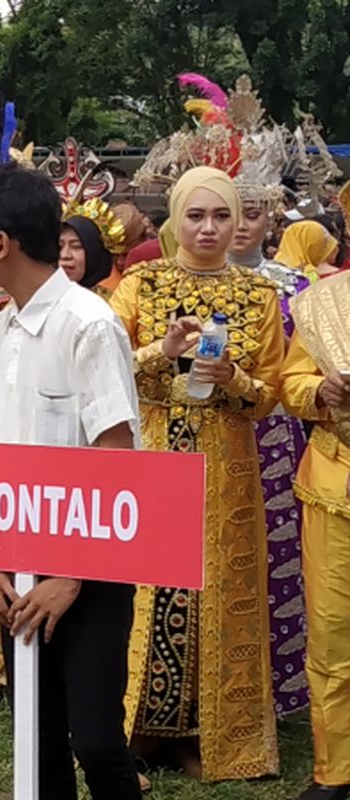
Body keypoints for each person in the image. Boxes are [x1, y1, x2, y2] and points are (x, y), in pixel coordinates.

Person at [0, 164, 143, 800]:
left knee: (94, 737)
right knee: (35, 737)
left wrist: (72, 573)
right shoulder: (2, 325)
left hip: (89, 567)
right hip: (18, 562)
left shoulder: (88, 324)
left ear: (2, 242)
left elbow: (117, 456)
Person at [110, 166, 283, 781]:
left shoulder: (260, 297)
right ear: (174, 219)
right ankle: (135, 731)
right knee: (151, 593)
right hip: (154, 455)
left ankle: (209, 736)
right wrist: (164, 351)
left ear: (237, 222)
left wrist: (231, 377)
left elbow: (270, 395)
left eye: (221, 216)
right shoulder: (140, 284)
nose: (208, 228)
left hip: (227, 467)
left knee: (216, 592)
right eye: (195, 215)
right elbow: (105, 368)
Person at [229, 164, 312, 719]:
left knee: (279, 556)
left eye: (250, 214)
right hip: (209, 429)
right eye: (225, 213)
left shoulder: (298, 288)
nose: (237, 226)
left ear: (271, 219)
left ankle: (281, 692)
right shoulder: (173, 280)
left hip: (276, 434)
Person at [281, 271, 350, 800]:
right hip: (335, 480)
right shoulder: (324, 303)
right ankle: (336, 769)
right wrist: (321, 389)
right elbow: (291, 382)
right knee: (331, 630)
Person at [58, 198, 127, 298]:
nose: (65, 255)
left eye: (76, 246)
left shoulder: (113, 303)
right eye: (60, 246)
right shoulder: (38, 298)